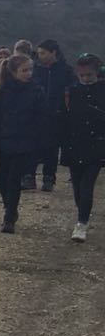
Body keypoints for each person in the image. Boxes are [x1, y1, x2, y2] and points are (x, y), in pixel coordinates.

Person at [0, 53, 50, 232]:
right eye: (24, 70)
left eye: (30, 70)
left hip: (25, 143)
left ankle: (9, 216)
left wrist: (39, 141)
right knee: (1, 181)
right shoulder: (0, 90)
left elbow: (42, 117)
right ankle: (9, 206)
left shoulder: (36, 91)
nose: (28, 74)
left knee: (14, 180)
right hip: (2, 142)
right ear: (13, 72)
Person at [60, 52, 105, 242]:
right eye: (82, 75)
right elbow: (64, 118)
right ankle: (82, 212)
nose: (86, 79)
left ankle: (82, 223)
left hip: (97, 145)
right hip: (74, 144)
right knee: (77, 187)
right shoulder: (71, 91)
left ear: (97, 73)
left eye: (89, 75)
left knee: (87, 186)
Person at [30, 39, 75, 191]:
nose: (40, 56)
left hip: (57, 115)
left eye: (43, 53)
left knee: (52, 148)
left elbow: (72, 90)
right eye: (39, 53)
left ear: (53, 52)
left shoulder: (66, 70)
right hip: (36, 114)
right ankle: (29, 176)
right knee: (33, 146)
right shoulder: (35, 70)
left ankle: (49, 178)